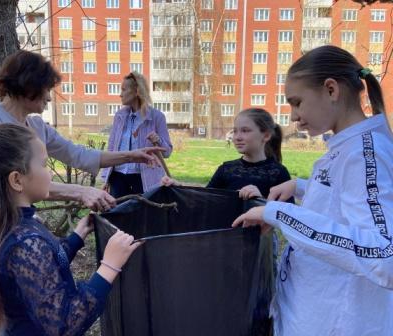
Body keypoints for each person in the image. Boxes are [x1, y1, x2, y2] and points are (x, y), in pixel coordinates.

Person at [232, 45, 393, 335]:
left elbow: (383, 254)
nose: (293, 116)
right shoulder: (348, 147)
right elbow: (348, 201)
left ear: (331, 89)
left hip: (336, 322)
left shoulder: (364, 154)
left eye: (297, 102)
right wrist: (302, 187)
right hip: (314, 313)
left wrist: (280, 214)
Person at [0, 124, 141, 335]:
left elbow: (48, 264)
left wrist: (78, 235)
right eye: (44, 165)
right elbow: (65, 324)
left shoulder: (15, 224)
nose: (50, 175)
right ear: (17, 180)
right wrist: (109, 266)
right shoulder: (23, 242)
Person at [0, 50, 164, 231]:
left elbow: (77, 154)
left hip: (13, 226)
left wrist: (132, 156)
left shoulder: (35, 126)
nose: (50, 98)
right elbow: (13, 182)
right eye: (47, 89)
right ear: (29, 86)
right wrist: (80, 191)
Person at [162, 108, 293, 203]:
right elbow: (204, 197)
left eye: (245, 131)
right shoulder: (227, 169)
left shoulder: (278, 173)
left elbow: (287, 216)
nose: (237, 137)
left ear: (266, 135)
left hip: (261, 240)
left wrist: (261, 201)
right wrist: (178, 187)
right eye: (235, 131)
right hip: (229, 237)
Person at [101, 72, 172, 198]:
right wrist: (106, 179)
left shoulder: (156, 117)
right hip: (118, 178)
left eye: (124, 89)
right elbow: (111, 148)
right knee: (119, 214)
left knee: (141, 215)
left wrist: (158, 140)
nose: (120, 94)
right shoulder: (120, 116)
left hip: (144, 180)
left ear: (137, 91)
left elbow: (167, 152)